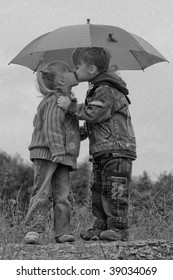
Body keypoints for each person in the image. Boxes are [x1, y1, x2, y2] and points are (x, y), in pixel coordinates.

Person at [57, 47, 137, 242]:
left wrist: (71, 107)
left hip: (117, 150)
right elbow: (98, 121)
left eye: (77, 66)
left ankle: (118, 228)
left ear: (91, 69)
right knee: (99, 188)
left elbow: (94, 113)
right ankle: (101, 226)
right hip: (103, 150)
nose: (75, 71)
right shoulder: (97, 88)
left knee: (115, 188)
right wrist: (79, 133)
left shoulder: (106, 89)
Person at [23, 60, 80, 244]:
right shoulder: (56, 99)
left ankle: (63, 231)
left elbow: (67, 130)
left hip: (62, 155)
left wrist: (81, 134)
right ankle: (34, 231)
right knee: (42, 191)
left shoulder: (67, 101)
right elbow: (52, 127)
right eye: (71, 71)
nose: (75, 72)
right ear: (62, 81)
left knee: (62, 195)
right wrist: (56, 149)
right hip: (48, 153)